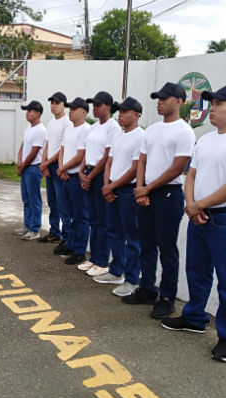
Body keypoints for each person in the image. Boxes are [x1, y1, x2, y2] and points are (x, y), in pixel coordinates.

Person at [161, 86, 226, 363]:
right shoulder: (204, 140)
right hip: (198, 216)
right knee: (197, 271)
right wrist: (191, 205)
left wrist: (198, 205)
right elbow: (191, 174)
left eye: (218, 104)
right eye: (212, 104)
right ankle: (194, 317)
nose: (212, 108)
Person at [123, 82, 195, 320]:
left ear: (179, 101)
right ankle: (147, 288)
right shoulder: (152, 129)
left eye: (165, 98)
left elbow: (177, 168)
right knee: (146, 244)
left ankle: (167, 297)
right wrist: (141, 187)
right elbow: (142, 160)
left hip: (168, 195)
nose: (160, 101)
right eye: (158, 98)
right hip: (148, 193)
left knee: (167, 248)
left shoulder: (184, 131)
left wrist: (148, 189)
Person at [94, 97, 145, 297]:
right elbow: (109, 162)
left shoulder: (140, 136)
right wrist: (107, 185)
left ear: (137, 114)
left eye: (125, 111)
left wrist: (111, 186)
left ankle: (132, 279)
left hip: (126, 191)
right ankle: (116, 271)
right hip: (113, 189)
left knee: (132, 238)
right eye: (119, 112)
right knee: (114, 233)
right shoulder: (120, 136)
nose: (120, 115)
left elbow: (134, 169)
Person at [78, 91, 121, 277]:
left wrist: (91, 176)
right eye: (93, 105)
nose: (94, 108)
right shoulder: (93, 127)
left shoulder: (113, 127)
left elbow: (106, 157)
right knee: (93, 218)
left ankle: (103, 261)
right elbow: (87, 151)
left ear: (108, 107)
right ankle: (94, 257)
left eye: (98, 105)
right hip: (88, 172)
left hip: (101, 173)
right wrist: (81, 172)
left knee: (103, 220)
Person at [55, 97, 90, 264]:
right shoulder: (70, 129)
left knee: (80, 215)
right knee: (68, 213)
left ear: (83, 112)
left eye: (74, 109)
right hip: (66, 176)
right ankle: (71, 243)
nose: (71, 111)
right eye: (70, 108)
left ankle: (80, 250)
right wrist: (62, 167)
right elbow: (62, 149)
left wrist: (62, 168)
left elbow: (80, 156)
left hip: (76, 178)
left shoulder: (85, 130)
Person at [38, 92, 72, 244]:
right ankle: (54, 232)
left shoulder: (67, 122)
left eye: (57, 103)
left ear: (64, 104)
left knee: (62, 203)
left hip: (59, 166)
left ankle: (66, 236)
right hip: (49, 166)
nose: (53, 105)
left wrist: (48, 162)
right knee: (52, 201)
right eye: (51, 103)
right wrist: (44, 162)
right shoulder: (50, 123)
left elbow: (62, 148)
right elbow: (47, 144)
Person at [14, 100, 47, 240]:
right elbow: (23, 146)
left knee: (34, 199)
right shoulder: (29, 129)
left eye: (29, 111)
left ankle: (34, 229)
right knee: (26, 198)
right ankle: (27, 225)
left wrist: (23, 165)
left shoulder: (41, 130)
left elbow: (34, 151)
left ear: (38, 113)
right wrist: (19, 161)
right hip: (26, 167)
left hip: (33, 168)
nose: (27, 113)